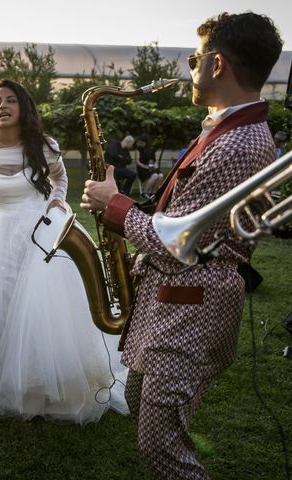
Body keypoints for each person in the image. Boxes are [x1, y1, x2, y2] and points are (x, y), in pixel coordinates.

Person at [81, 12, 282, 479]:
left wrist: (115, 206)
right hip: (173, 297)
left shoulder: (236, 145)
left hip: (191, 304)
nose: (190, 67)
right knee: (138, 402)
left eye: (195, 57)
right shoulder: (222, 130)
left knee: (163, 448)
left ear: (217, 65)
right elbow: (179, 218)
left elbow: (177, 242)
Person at [0, 79, 128, 423]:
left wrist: (55, 203)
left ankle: (40, 384)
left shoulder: (44, 144)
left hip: (45, 233)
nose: (2, 107)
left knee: (43, 311)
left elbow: (61, 180)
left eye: (11, 100)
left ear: (23, 107)